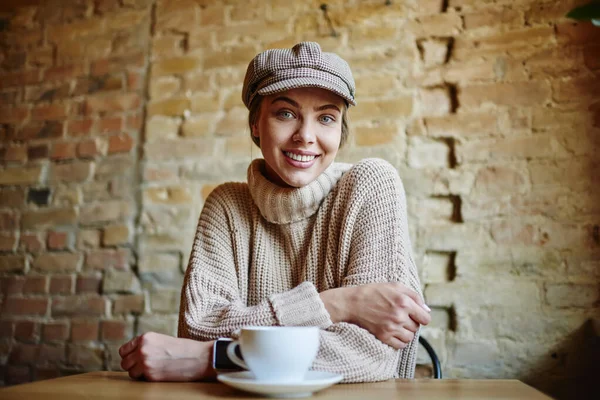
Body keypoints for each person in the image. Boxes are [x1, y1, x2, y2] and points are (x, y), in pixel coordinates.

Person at [119, 42, 431, 383]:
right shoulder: (227, 205)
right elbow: (198, 328)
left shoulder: (370, 186)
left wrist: (213, 357)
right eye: (286, 113)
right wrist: (336, 305)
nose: (306, 137)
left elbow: (370, 357)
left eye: (326, 118)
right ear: (255, 124)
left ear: (340, 131)